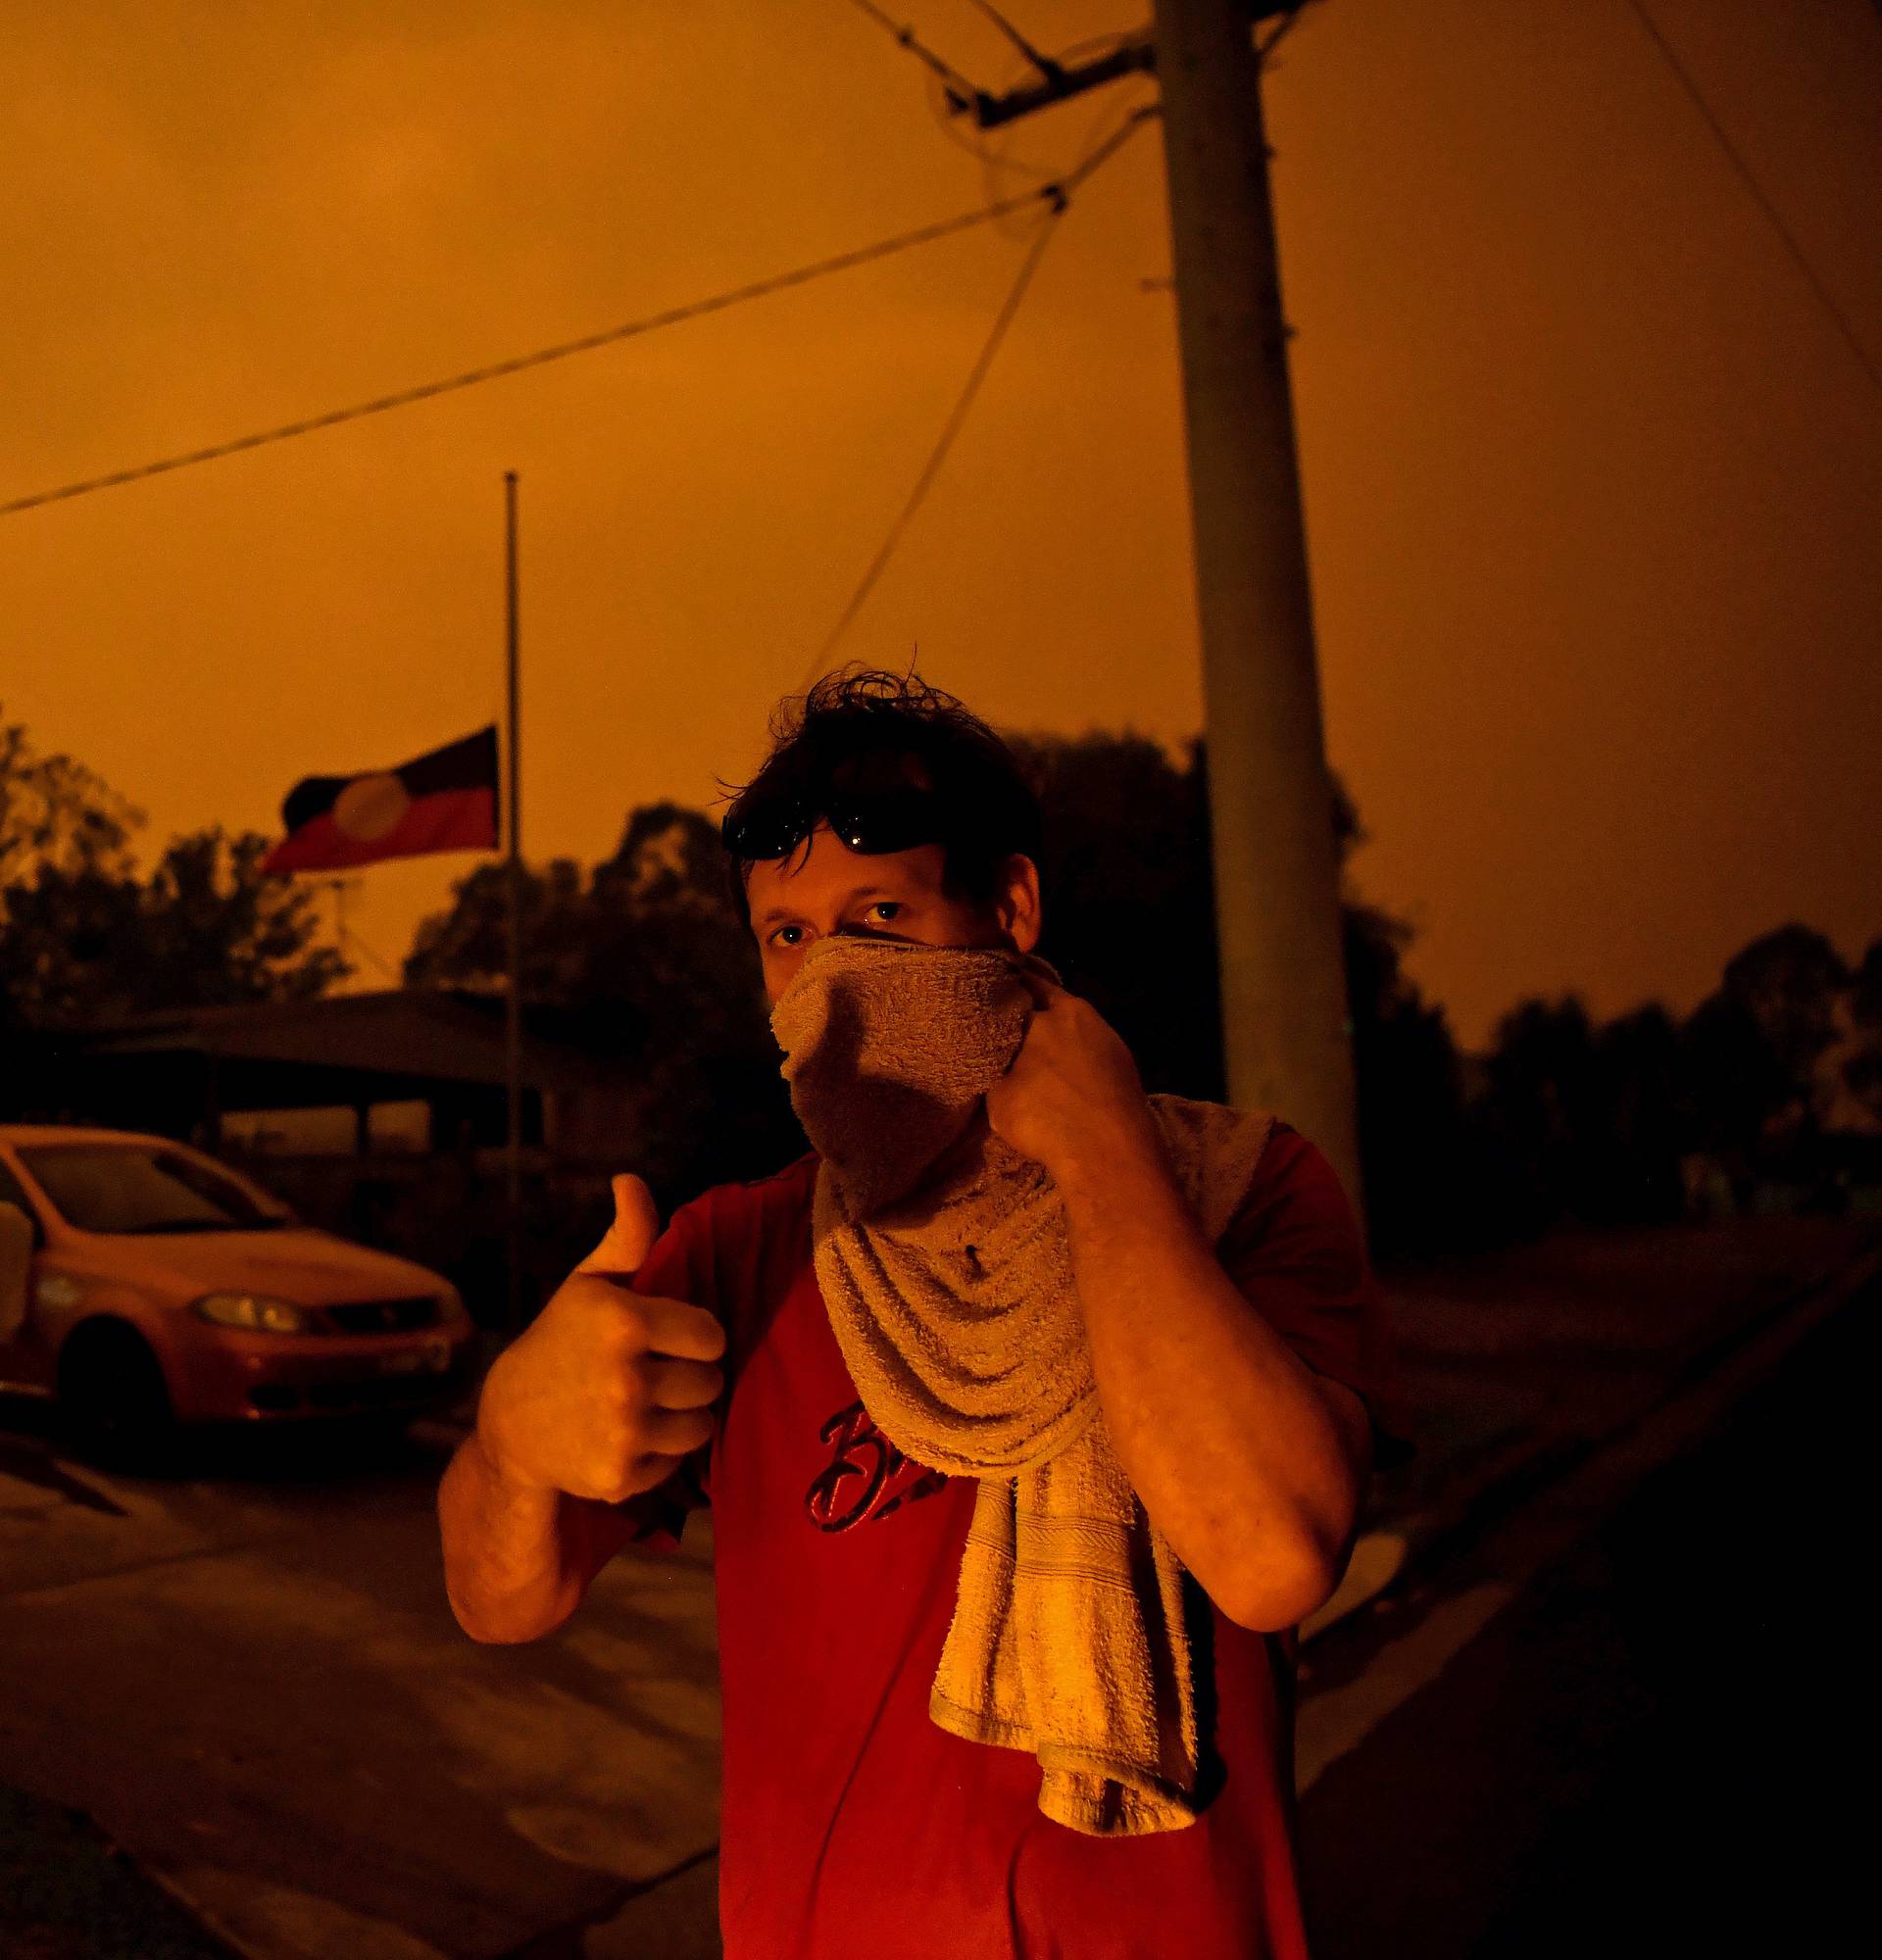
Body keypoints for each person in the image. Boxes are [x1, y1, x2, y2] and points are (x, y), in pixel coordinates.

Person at [437, 668, 1403, 1958]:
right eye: (789, 939)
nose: (830, 976)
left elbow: (1272, 1554)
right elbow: (501, 1597)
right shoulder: (742, 1252)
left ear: (1007, 909)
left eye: (879, 915)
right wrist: (512, 1439)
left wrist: (1104, 1155)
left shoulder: (1240, 1190)